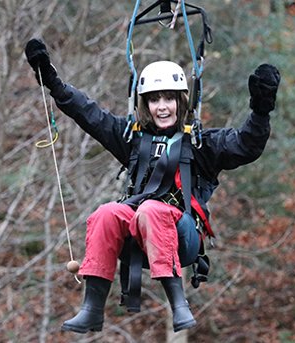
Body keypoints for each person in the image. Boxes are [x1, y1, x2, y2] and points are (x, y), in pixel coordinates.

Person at [22, 38, 281, 333]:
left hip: (182, 238)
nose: (162, 107)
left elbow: (246, 145)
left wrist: (260, 113)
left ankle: (178, 304)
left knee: (152, 209)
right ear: (144, 104)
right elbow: (88, 113)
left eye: (168, 99)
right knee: (107, 211)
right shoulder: (131, 138)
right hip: (139, 238)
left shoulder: (201, 144)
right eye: (154, 100)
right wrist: (52, 81)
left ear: (180, 102)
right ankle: (92, 309)